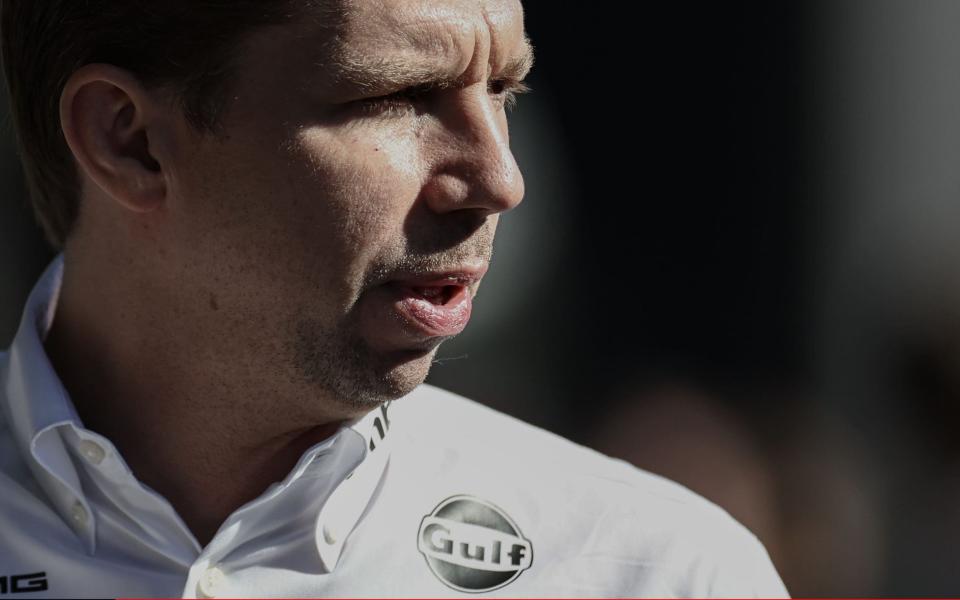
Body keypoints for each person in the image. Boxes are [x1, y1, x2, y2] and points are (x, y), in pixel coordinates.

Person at [0, 0, 789, 597]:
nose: (500, 180)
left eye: (504, 90)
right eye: (399, 95)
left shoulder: (655, 571)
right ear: (126, 140)